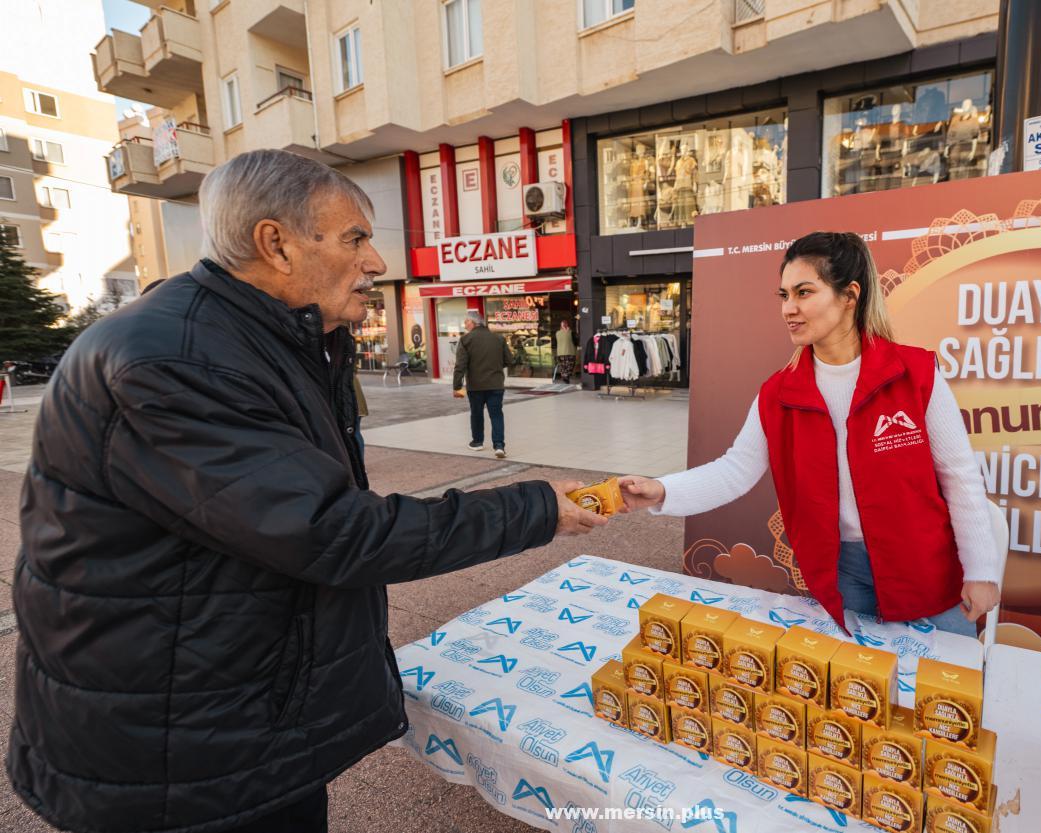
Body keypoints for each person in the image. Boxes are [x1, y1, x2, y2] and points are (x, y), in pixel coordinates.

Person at [7, 149, 609, 833]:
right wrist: (537, 507)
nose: (375, 262)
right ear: (276, 244)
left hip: (220, 714)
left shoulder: (253, 337)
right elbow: (332, 529)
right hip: (175, 752)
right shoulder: (176, 358)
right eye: (354, 238)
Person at [619, 231, 1001, 637]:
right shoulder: (779, 393)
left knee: (940, 690)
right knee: (861, 686)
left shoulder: (914, 374)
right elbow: (735, 470)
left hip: (925, 565)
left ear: (850, 295)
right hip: (843, 571)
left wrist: (980, 571)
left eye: (804, 292)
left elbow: (959, 477)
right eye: (784, 296)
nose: (789, 308)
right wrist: (660, 490)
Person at [453, 310, 510, 458]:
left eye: (466, 322)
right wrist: (495, 368)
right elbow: (509, 360)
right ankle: (499, 446)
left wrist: (457, 387)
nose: (465, 325)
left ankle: (477, 442)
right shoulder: (498, 338)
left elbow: (460, 365)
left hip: (475, 385)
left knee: (476, 413)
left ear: (473, 323)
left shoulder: (466, 340)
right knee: (496, 415)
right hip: (496, 384)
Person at [555, 318, 577, 384]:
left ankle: (565, 377)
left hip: (560, 353)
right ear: (568, 325)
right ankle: (566, 377)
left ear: (560, 326)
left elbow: (556, 342)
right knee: (569, 366)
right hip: (569, 352)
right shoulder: (571, 332)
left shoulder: (557, 333)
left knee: (563, 367)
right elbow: (575, 342)